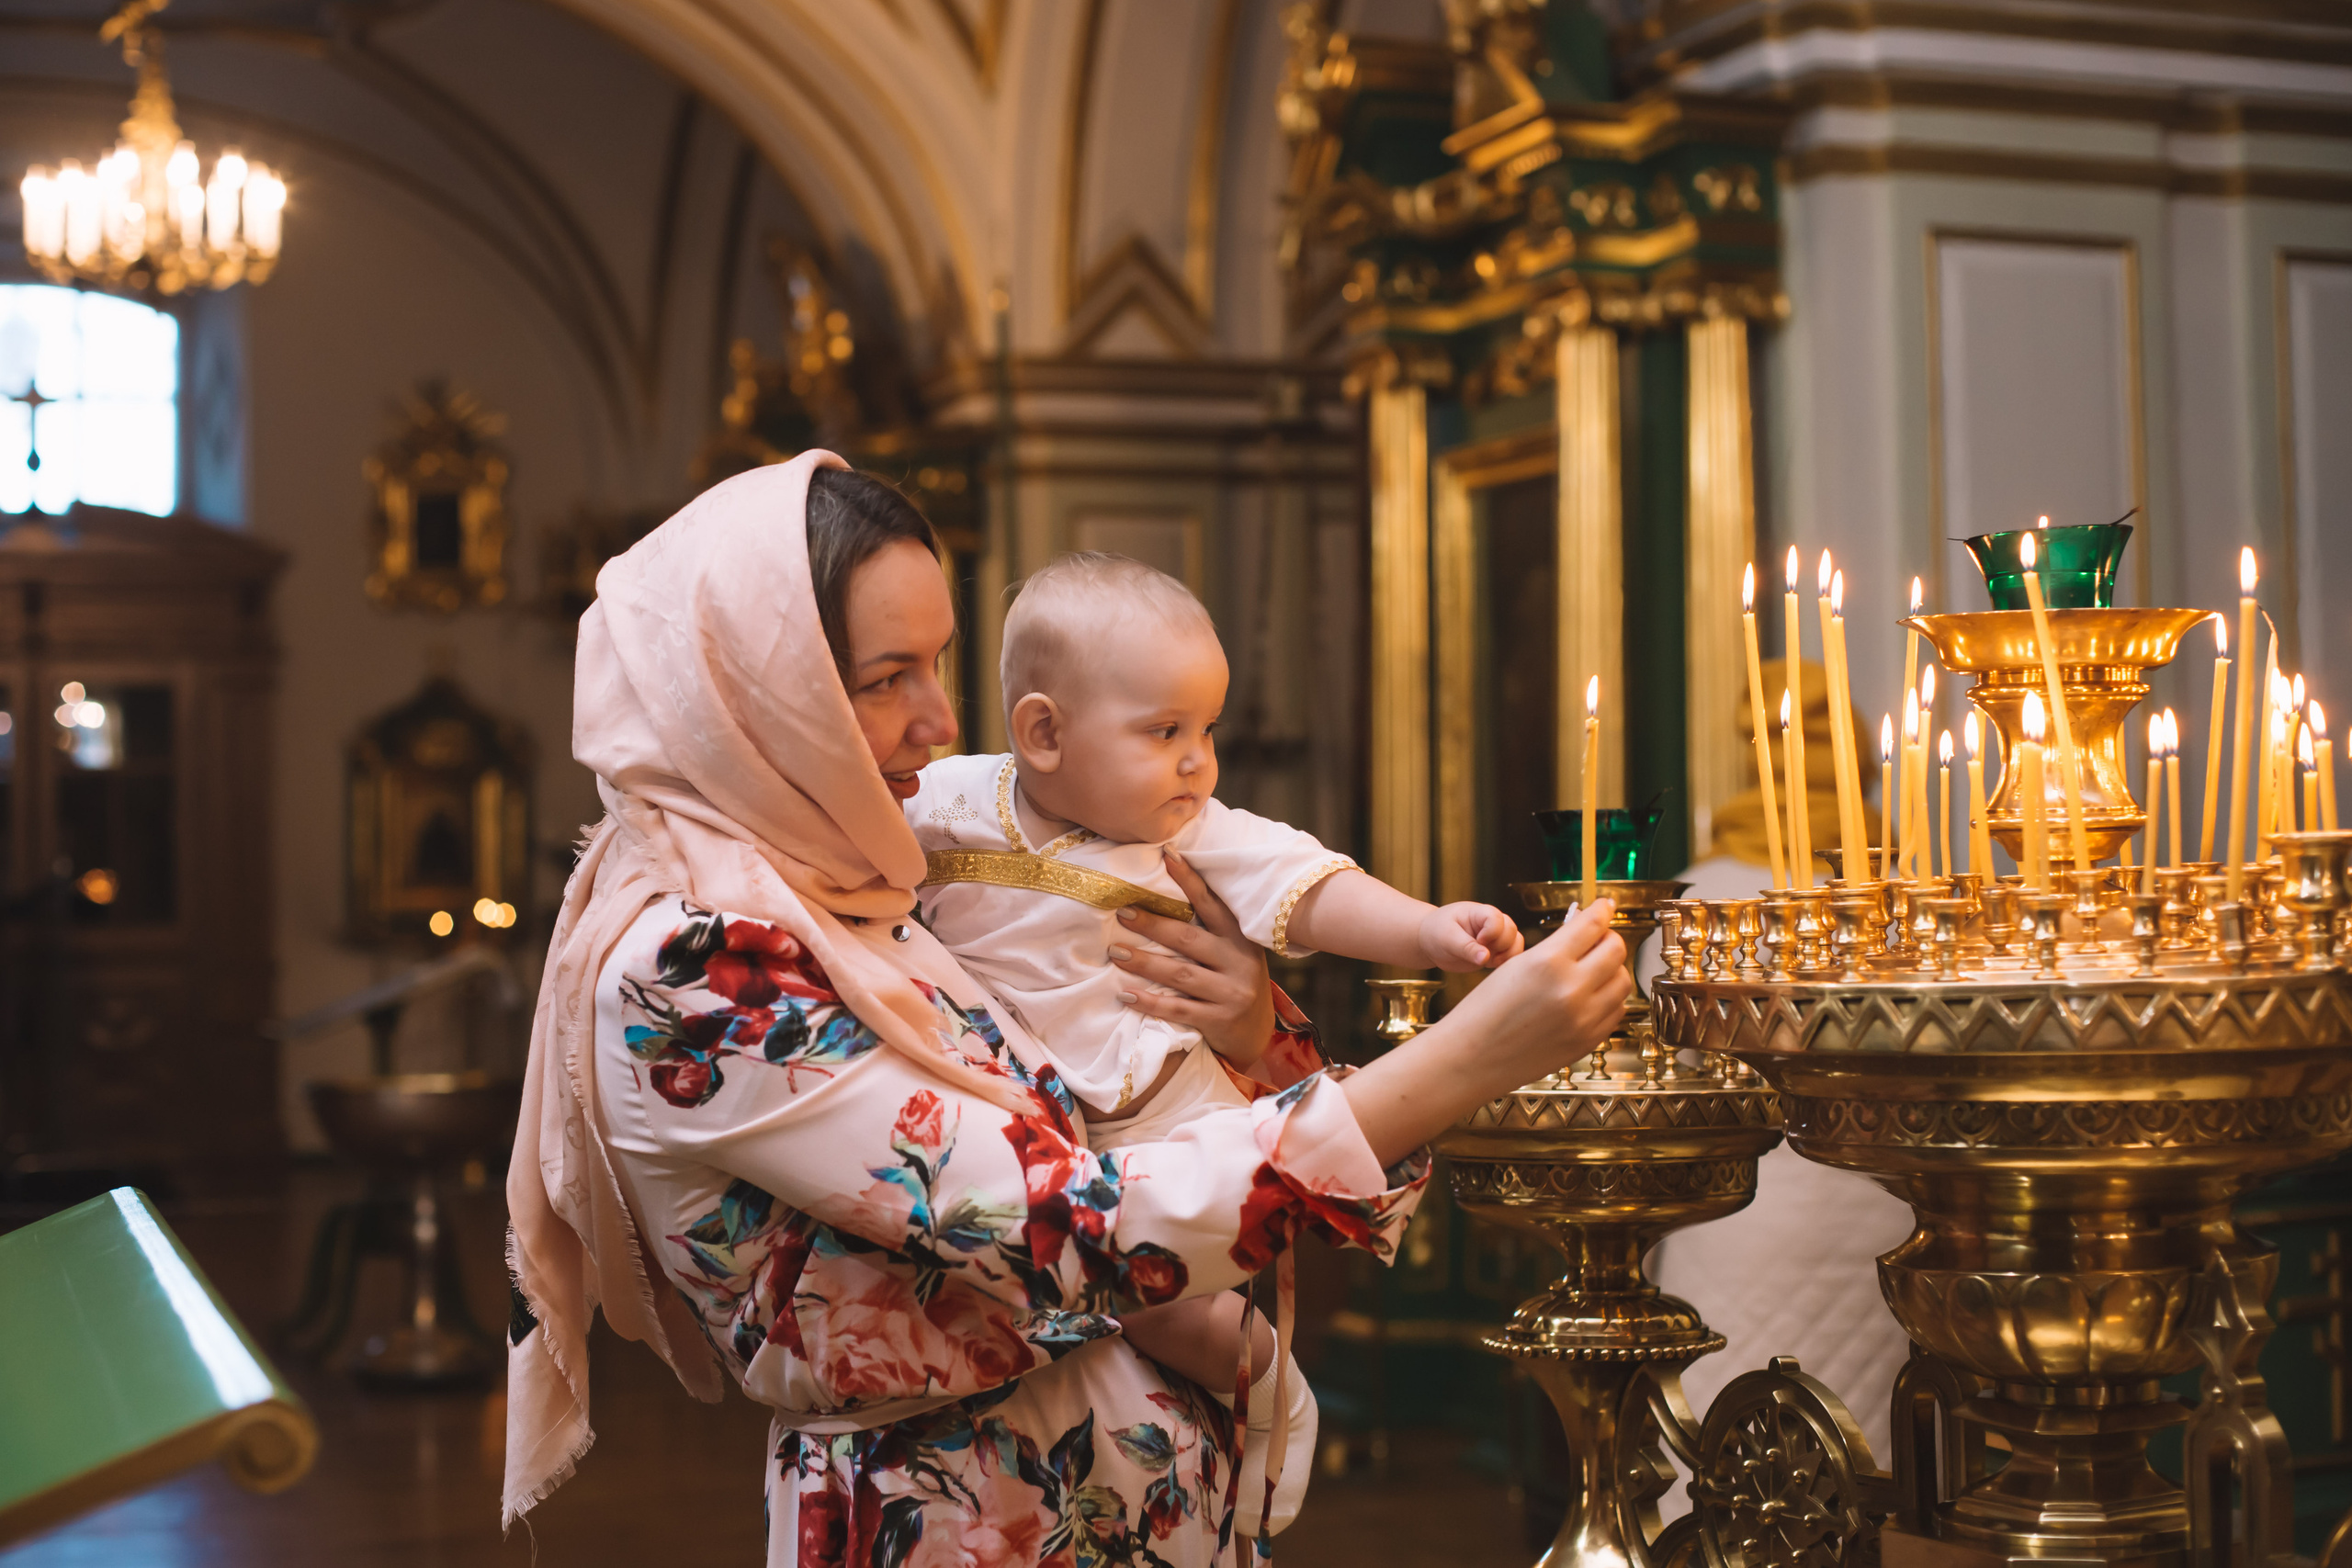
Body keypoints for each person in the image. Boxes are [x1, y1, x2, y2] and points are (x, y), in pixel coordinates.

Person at [503, 451, 1634, 1568]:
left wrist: (1253, 1031)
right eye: (885, 676)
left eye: (939, 664)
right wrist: (1472, 1054)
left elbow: (1103, 1089)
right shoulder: (703, 960)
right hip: (956, 1521)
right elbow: (1072, 1229)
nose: (941, 720)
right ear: (756, 685)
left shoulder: (848, 888)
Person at [1647, 656, 1913, 1467]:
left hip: (1737, 1209)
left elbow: (1658, 1073)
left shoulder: (1694, 898)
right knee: (1878, 1469)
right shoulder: (1910, 890)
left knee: (1730, 1468)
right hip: (1888, 1212)